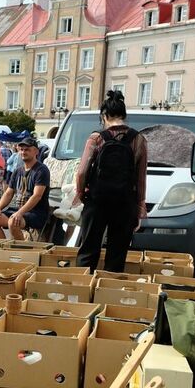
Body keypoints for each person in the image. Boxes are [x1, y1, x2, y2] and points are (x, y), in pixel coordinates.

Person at [74, 90, 147, 273]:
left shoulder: (96, 138)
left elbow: (82, 172)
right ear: (124, 116)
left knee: (88, 249)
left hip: (97, 201)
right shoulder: (139, 140)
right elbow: (140, 177)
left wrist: (81, 193)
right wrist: (139, 205)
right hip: (124, 203)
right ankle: (107, 294)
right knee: (117, 254)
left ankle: (82, 290)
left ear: (104, 116)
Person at [0, 136, 51, 240]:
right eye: (21, 149)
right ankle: (3, 250)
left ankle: (20, 253)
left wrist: (20, 213)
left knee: (13, 222)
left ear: (36, 151)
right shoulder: (18, 171)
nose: (23, 152)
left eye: (27, 149)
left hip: (36, 213)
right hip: (18, 210)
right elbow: (9, 193)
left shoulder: (41, 170)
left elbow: (37, 196)